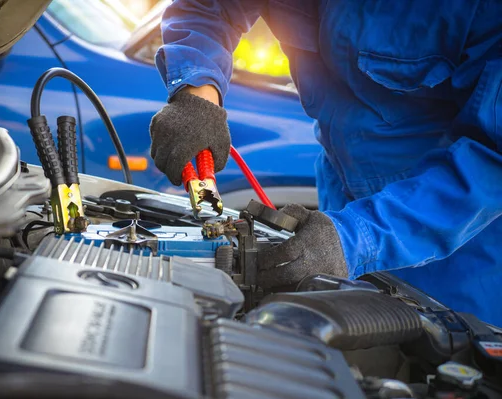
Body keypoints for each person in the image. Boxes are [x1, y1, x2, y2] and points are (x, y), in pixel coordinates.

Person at [148, 0, 502, 326]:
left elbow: (492, 159)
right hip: (338, 200)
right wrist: (198, 94)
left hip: (459, 244)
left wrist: (355, 238)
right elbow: (210, 7)